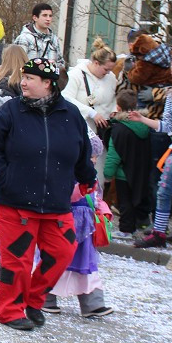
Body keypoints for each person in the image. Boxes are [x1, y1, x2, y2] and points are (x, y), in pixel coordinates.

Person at [0, 57, 96, 331]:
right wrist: (4, 178)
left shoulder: (70, 115)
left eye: (30, 78)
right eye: (23, 77)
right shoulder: (10, 111)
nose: (23, 82)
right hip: (14, 203)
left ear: (48, 84)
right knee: (17, 261)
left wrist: (87, 178)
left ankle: (34, 299)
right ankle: (10, 311)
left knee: (62, 252)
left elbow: (82, 153)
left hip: (56, 204)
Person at [45, 134, 115, 319]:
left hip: (86, 228)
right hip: (65, 224)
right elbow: (66, 195)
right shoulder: (67, 173)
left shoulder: (90, 174)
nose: (94, 160)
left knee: (86, 265)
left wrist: (102, 208)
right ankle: (45, 297)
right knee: (56, 260)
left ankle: (93, 303)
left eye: (96, 157)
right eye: (91, 155)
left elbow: (96, 198)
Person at [127, 57, 172, 248]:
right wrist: (143, 119)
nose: (171, 77)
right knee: (164, 188)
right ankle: (159, 233)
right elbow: (168, 125)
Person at [104, 90, 153, 240]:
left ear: (118, 107)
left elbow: (114, 154)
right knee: (140, 196)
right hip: (142, 170)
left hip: (123, 173)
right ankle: (144, 224)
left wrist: (107, 174)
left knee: (125, 202)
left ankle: (126, 229)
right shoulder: (145, 126)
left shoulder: (118, 129)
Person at [63, 40, 117, 137]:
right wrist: (90, 112)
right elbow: (66, 98)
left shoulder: (111, 77)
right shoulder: (75, 75)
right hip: (82, 129)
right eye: (106, 69)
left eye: (110, 70)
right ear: (96, 63)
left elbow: (115, 97)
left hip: (104, 131)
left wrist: (114, 109)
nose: (108, 73)